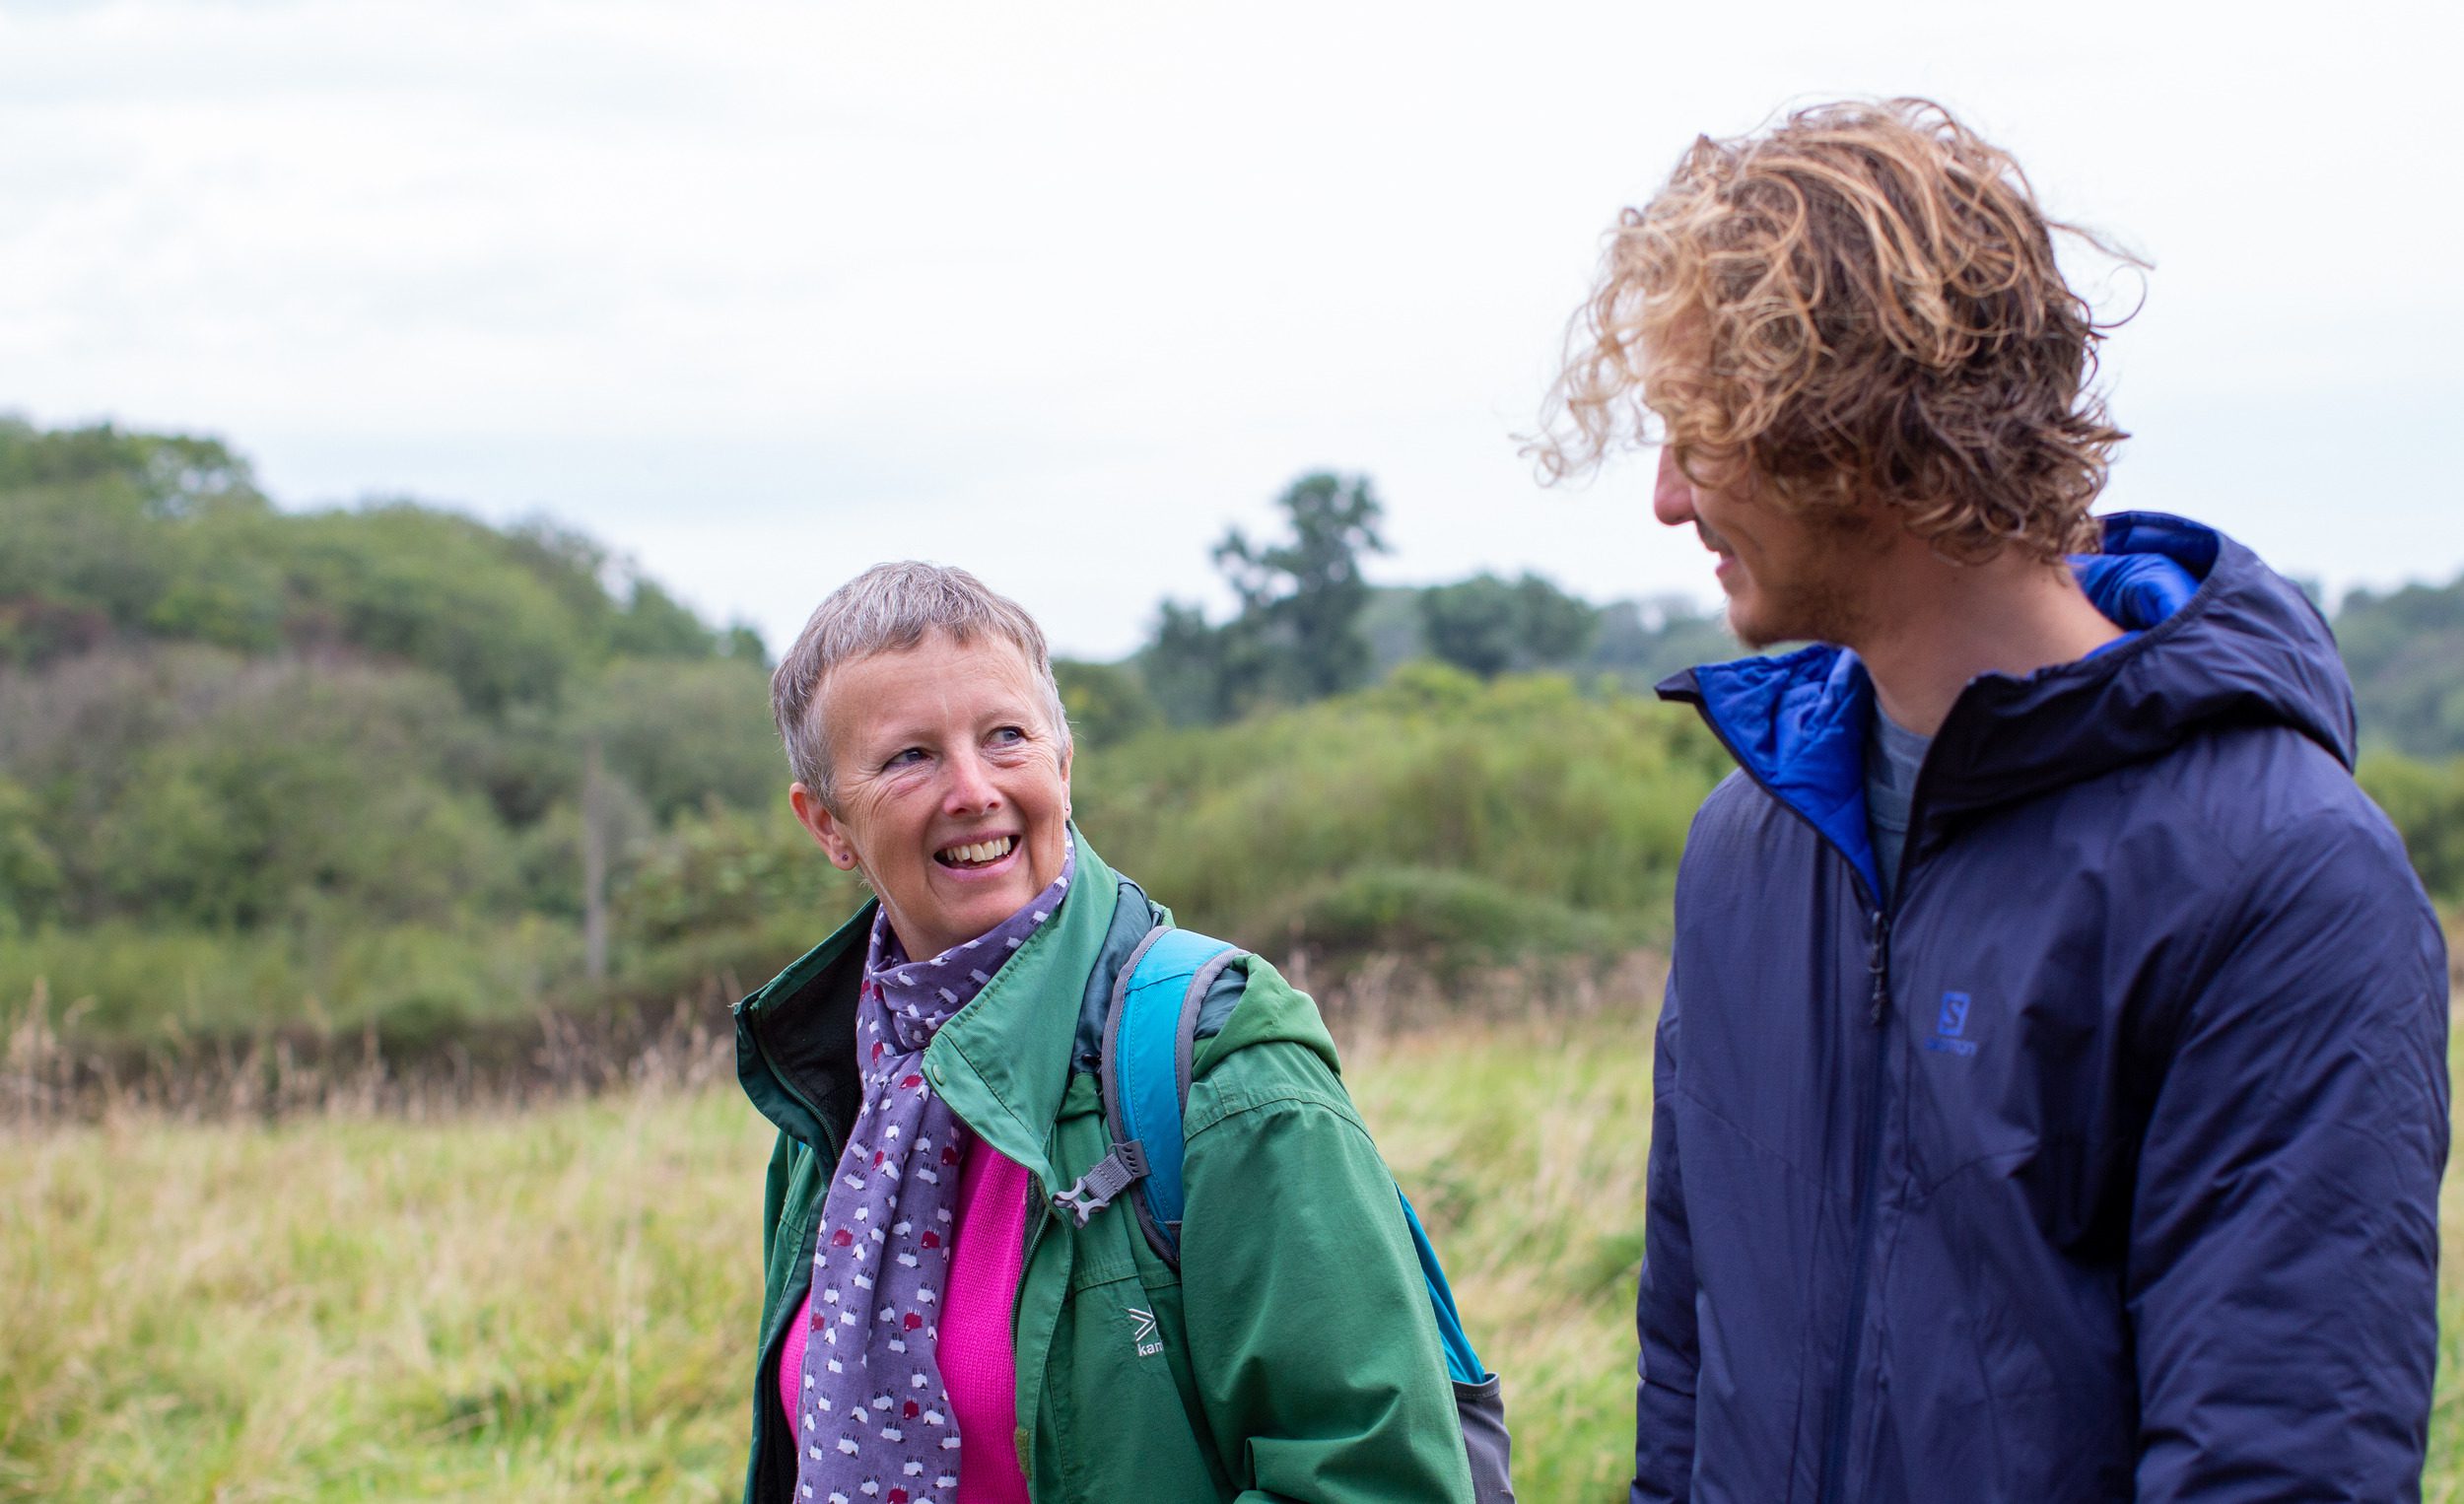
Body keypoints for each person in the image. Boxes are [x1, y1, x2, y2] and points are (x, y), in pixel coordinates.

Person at [1533, 99, 2449, 1502]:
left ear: (1854, 437)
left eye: (1698, 434)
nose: (1666, 497)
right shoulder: (1748, 845)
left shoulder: (2283, 873)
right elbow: (1686, 1366)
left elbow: (2280, 1461)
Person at [732, 562, 1477, 1504]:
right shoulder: (840, 1092)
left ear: (1064, 763)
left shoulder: (1213, 1056)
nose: (971, 790)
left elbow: (1374, 1482)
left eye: (1006, 737)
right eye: (909, 757)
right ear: (828, 824)